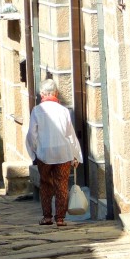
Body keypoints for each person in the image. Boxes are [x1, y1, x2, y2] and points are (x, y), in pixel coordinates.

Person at [24, 79, 83, 227]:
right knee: (62, 184)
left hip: (44, 153)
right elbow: (70, 134)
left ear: (42, 93)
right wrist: (76, 154)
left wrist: (34, 151)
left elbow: (32, 134)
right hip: (63, 152)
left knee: (45, 184)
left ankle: (47, 217)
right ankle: (60, 218)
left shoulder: (37, 110)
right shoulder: (63, 110)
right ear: (56, 93)